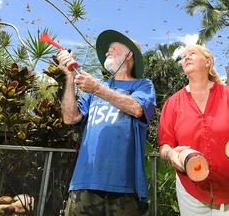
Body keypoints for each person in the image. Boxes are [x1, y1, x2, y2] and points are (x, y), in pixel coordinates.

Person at [57, 29, 156, 216]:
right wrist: (69, 77)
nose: (107, 52)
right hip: (84, 183)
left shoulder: (143, 85)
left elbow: (137, 108)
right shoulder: (93, 91)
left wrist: (98, 89)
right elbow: (70, 118)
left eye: (112, 48)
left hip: (125, 188)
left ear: (129, 55)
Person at [158, 44, 229, 215]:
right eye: (183, 57)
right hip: (191, 190)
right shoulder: (172, 103)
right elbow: (165, 145)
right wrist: (171, 154)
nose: (186, 58)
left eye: (192, 54)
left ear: (208, 62)